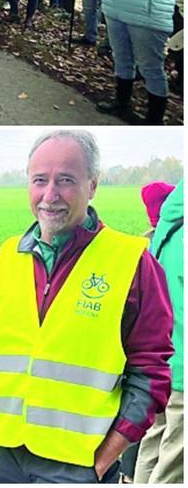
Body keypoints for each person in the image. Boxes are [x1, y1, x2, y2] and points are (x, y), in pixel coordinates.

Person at [0, 130, 173, 483]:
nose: (50, 195)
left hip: (76, 466)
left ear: (92, 185)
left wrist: (102, 460)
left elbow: (151, 372)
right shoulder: (5, 257)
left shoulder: (131, 262)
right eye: (40, 180)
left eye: (65, 180)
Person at [134, 180, 183, 484]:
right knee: (175, 465)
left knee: (153, 446)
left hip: (163, 362)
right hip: (182, 371)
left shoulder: (166, 230)